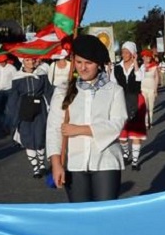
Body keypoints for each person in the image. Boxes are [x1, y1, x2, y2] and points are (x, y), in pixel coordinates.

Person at [46, 34, 127, 202]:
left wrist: (80, 129)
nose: (83, 68)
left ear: (99, 64)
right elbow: (53, 128)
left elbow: (117, 124)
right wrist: (56, 163)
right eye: (79, 62)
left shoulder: (114, 90)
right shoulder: (63, 90)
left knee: (104, 214)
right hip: (73, 162)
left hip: (106, 160)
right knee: (80, 216)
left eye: (89, 63)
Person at [8, 56, 55, 178]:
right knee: (27, 137)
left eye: (33, 60)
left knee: (40, 136)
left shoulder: (42, 74)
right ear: (22, 62)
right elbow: (13, 97)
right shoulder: (17, 77)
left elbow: (49, 92)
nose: (31, 62)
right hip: (23, 108)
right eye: (28, 60)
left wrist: (55, 108)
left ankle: (42, 164)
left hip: (40, 108)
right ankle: (36, 168)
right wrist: (13, 115)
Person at [113, 41, 147, 171]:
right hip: (121, 100)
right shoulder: (117, 67)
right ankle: (126, 152)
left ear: (133, 54)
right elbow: (113, 83)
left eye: (127, 52)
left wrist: (136, 63)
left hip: (136, 99)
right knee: (122, 133)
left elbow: (139, 78)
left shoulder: (140, 67)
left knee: (136, 133)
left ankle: (135, 161)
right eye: (123, 52)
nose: (124, 54)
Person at [139, 48, 160, 128]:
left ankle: (150, 122)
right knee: (145, 107)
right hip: (143, 88)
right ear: (143, 57)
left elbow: (157, 78)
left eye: (149, 57)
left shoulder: (154, 66)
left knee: (151, 107)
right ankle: (145, 122)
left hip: (151, 89)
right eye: (145, 57)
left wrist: (155, 90)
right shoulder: (141, 67)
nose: (147, 58)